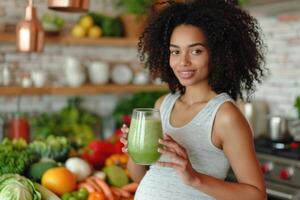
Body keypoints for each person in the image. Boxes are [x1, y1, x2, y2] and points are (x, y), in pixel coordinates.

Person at [120, 0, 267, 199]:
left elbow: (257, 195)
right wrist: (135, 151)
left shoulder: (224, 116)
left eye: (196, 51)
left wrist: (194, 177)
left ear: (217, 54)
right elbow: (141, 177)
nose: (183, 62)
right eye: (175, 51)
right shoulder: (162, 105)